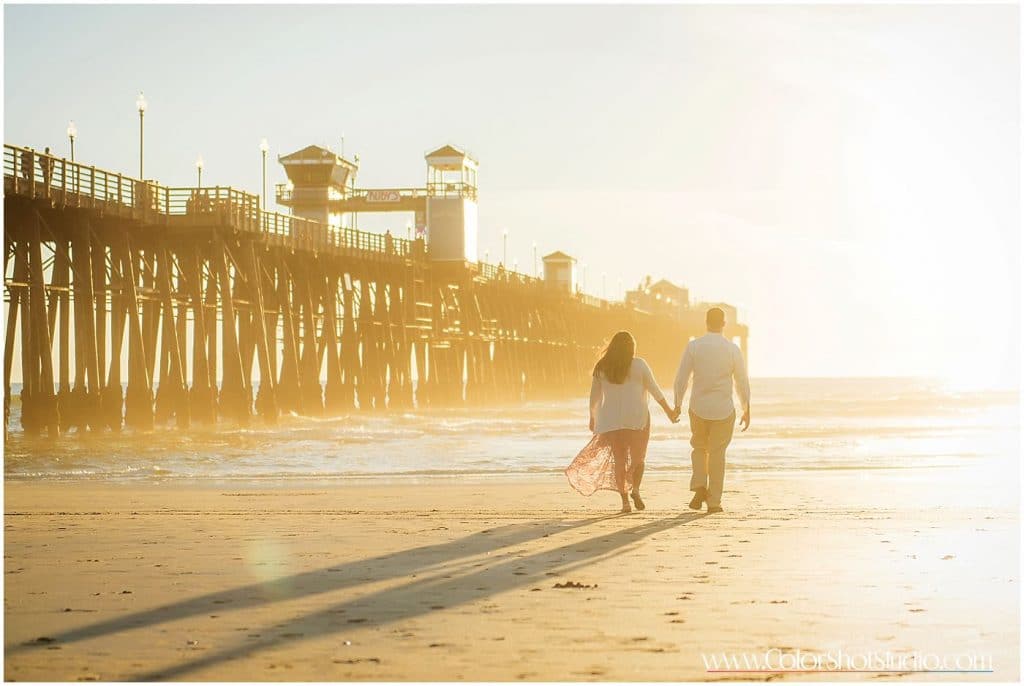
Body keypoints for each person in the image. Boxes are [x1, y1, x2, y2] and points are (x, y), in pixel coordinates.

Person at [566, 331, 679, 513]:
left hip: (611, 421)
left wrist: (592, 417)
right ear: (632, 348)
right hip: (637, 418)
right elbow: (655, 389)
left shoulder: (602, 367)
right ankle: (635, 488)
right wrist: (669, 412)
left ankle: (625, 503)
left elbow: (595, 397)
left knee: (619, 461)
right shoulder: (639, 365)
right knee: (638, 458)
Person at [673, 307, 750, 514]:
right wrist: (746, 407)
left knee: (699, 448)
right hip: (723, 409)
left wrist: (677, 403)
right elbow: (741, 381)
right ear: (724, 324)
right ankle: (714, 502)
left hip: (698, 407)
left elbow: (682, 378)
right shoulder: (732, 349)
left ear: (706, 322)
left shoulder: (694, 346)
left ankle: (699, 484)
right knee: (717, 454)